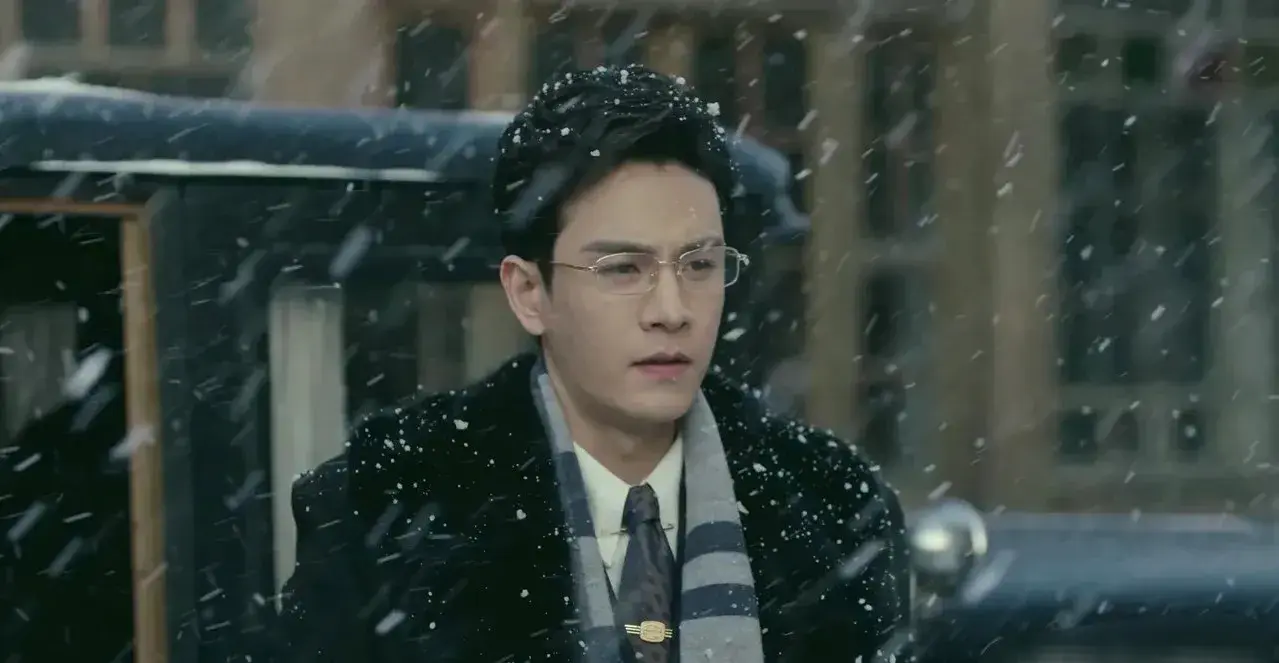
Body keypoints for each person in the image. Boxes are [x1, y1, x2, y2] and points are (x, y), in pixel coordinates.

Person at [277, 64, 912, 663]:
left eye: (700, 265)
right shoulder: (386, 504)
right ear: (530, 292)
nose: (671, 310)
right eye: (623, 269)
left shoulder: (834, 508)